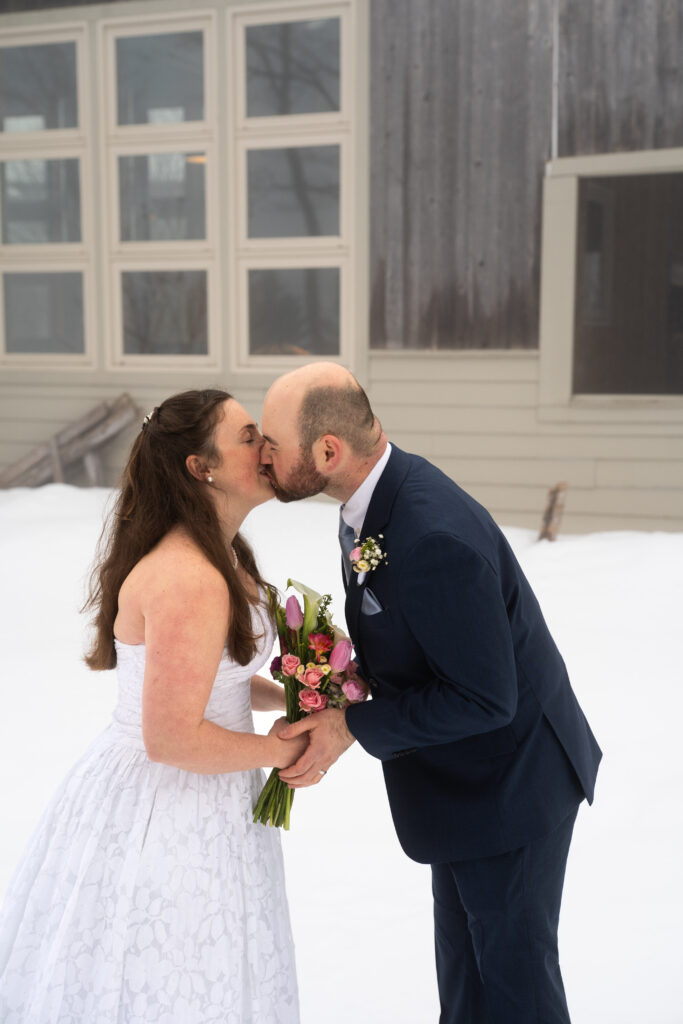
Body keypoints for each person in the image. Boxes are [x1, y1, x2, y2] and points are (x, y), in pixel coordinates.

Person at [260, 363, 602, 1024]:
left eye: (272, 443)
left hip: (509, 787)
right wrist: (340, 672)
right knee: (467, 982)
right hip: (460, 784)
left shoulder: (429, 537)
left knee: (512, 987)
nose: (263, 455)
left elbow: (482, 698)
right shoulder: (369, 503)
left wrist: (351, 726)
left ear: (327, 451)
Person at [0, 389, 303, 1023]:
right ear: (202, 467)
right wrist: (276, 749)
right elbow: (170, 735)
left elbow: (211, 678)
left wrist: (296, 697)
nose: (265, 447)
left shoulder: (220, 555)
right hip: (167, 805)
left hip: (214, 792)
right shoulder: (189, 576)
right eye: (248, 437)